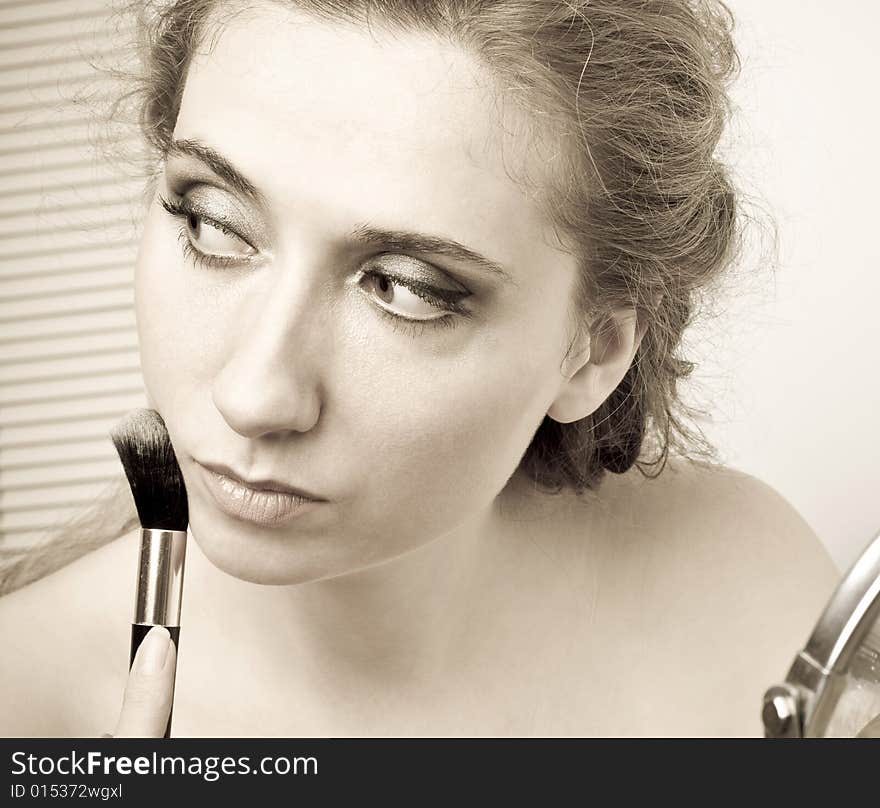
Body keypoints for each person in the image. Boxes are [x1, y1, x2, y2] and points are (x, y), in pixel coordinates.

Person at [0, 0, 840, 737]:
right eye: (215, 226)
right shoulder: (29, 714)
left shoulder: (748, 585)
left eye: (404, 290)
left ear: (592, 351)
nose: (254, 395)